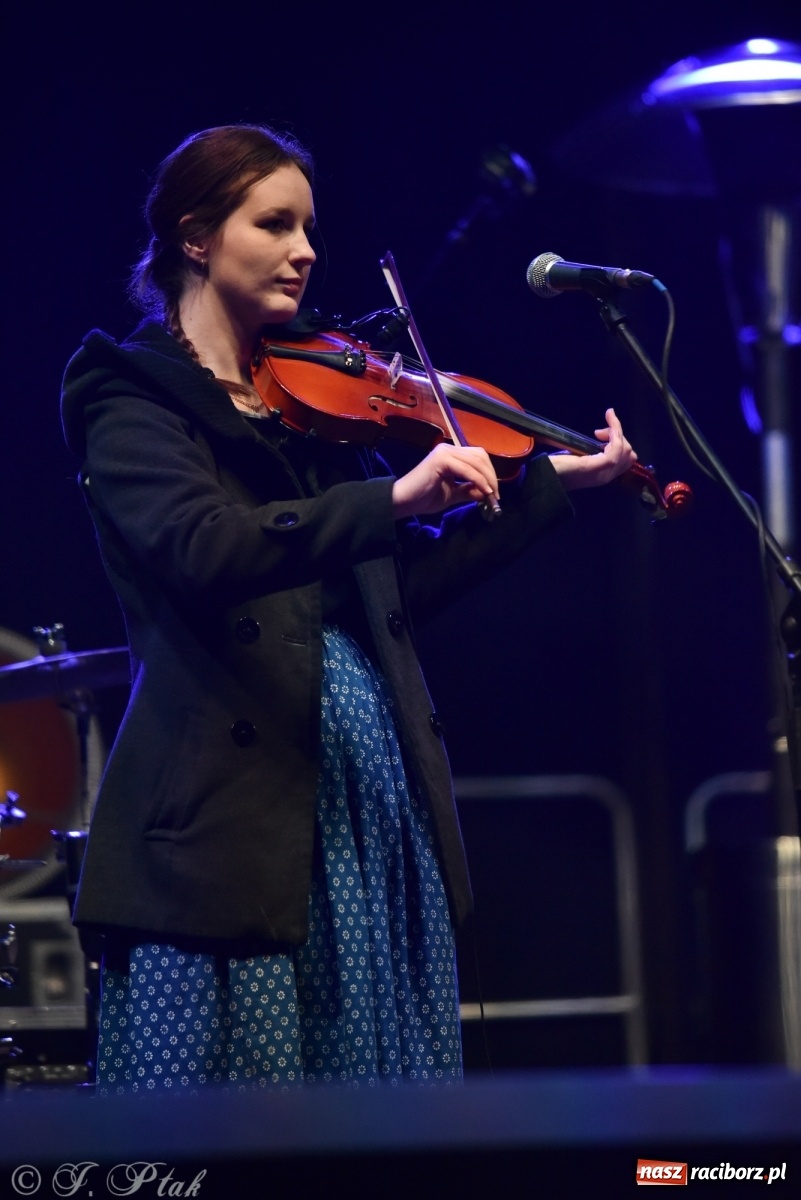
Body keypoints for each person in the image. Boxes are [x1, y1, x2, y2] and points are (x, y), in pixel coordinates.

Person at [61, 124, 636, 1092]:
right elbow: (206, 548)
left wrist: (546, 486)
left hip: (362, 804)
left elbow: (396, 588)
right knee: (237, 1114)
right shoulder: (128, 398)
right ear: (196, 237)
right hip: (229, 824)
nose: (307, 250)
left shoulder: (312, 403)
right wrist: (395, 497)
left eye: (311, 227)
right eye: (274, 223)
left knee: (369, 1124)